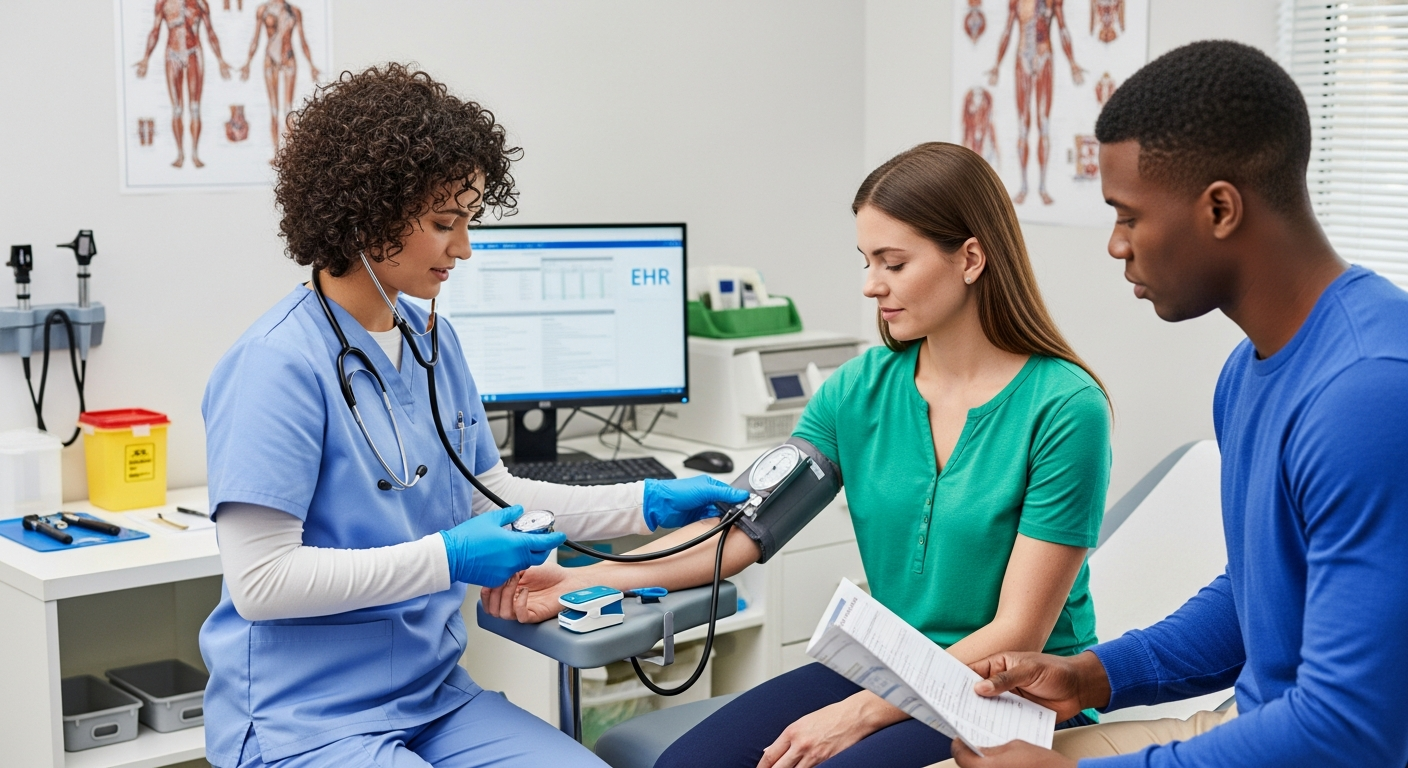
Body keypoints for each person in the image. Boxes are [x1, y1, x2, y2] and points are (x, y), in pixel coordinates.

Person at [484, 142, 1113, 768]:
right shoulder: (857, 390)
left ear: (970, 257)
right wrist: (579, 579)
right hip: (888, 659)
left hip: (1007, 687)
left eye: (893, 263)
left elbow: (1017, 634)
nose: (871, 286)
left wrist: (857, 713)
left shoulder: (1063, 407)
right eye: (867, 261)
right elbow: (741, 532)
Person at [197, 64, 748, 768]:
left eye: (468, 222)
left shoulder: (432, 343)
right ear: (367, 212)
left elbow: (493, 495)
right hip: (304, 720)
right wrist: (449, 559)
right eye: (443, 224)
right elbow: (263, 583)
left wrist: (645, 504)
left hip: (434, 699)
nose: (463, 248)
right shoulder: (275, 365)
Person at [939, 40, 1408, 768]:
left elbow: (1348, 730)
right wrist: (1093, 673)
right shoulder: (1245, 373)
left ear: (1220, 208)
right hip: (1263, 725)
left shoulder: (1368, 393)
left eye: (1127, 217)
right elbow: (1260, 601)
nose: (1116, 246)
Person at [134, 0, 232, 168]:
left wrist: (220, 59)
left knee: (194, 108)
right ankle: (180, 154)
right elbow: (155, 31)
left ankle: (194, 153)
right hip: (173, 53)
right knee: (177, 109)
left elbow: (210, 32)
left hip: (194, 52)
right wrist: (146, 58)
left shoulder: (200, 3)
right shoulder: (163, 3)